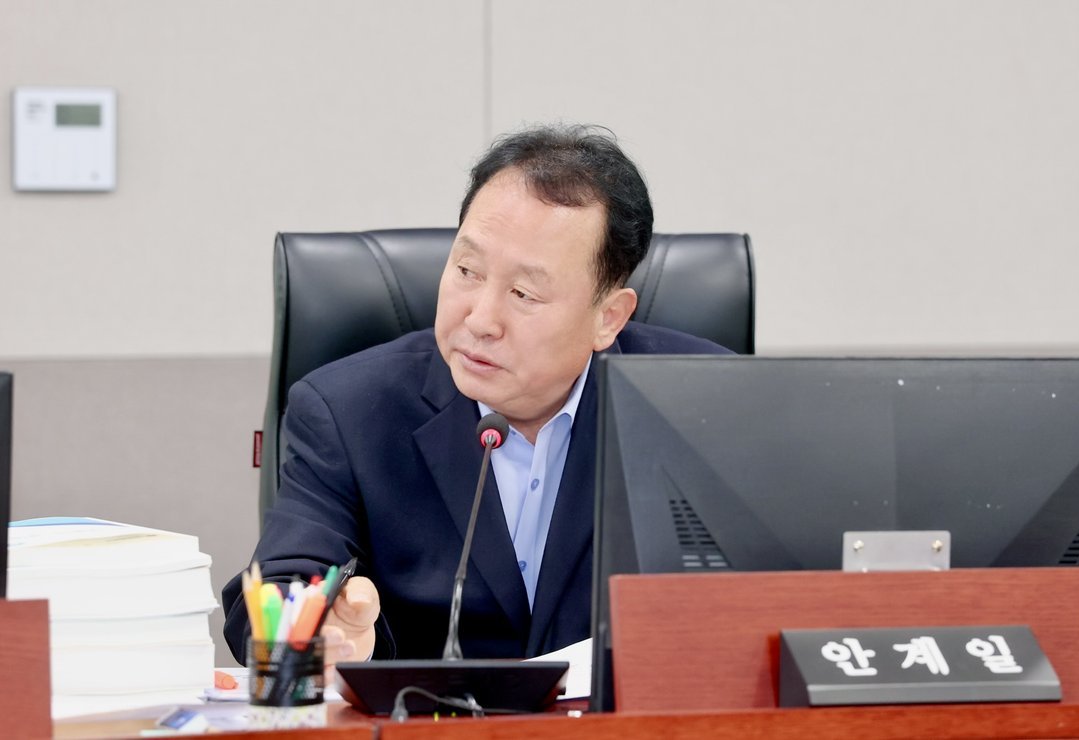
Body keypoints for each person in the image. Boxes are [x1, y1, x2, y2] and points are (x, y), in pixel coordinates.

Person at [221, 124, 731, 666]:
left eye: (523, 293)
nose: (481, 319)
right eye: (467, 270)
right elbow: (281, 584)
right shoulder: (346, 412)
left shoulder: (706, 404)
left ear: (608, 317)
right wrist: (321, 632)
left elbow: (772, 592)